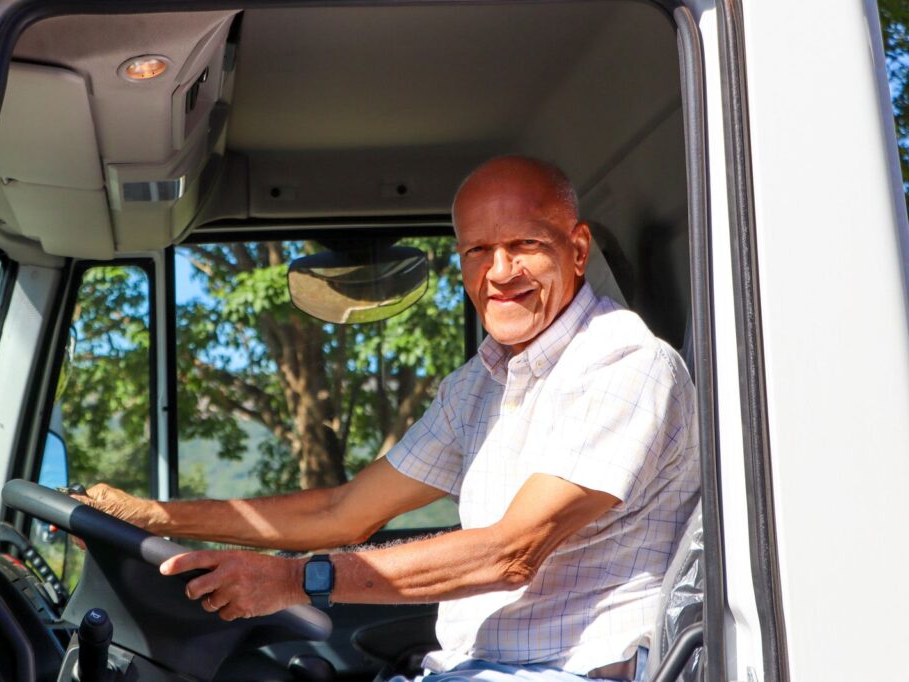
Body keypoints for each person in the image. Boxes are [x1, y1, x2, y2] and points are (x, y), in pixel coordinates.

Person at [74, 156, 699, 681]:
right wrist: (156, 516)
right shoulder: (480, 384)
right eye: (479, 250)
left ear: (578, 249)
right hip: (477, 668)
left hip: (568, 672)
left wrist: (294, 581)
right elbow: (343, 512)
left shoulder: (625, 364)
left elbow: (510, 553)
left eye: (524, 245)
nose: (499, 272)